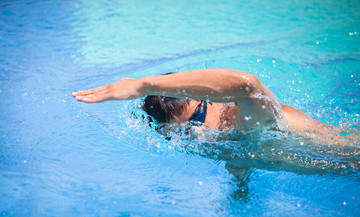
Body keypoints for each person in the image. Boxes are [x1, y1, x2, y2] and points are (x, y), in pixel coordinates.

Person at [72, 68, 327, 138]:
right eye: (181, 133)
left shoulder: (246, 115)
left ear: (212, 100)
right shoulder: (233, 131)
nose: (196, 132)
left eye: (196, 119)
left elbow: (249, 86)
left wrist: (145, 85)